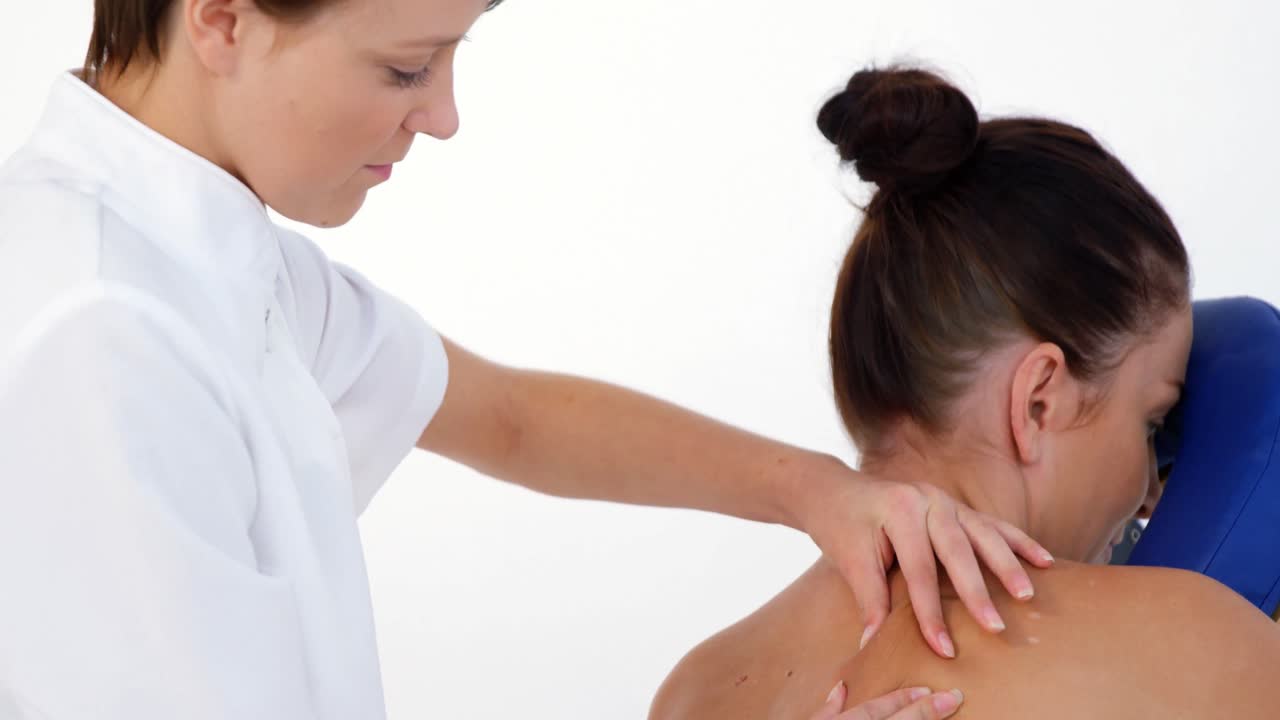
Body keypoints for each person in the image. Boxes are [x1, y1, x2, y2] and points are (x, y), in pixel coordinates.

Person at [0, 3, 1051, 718]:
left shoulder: (218, 261)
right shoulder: (102, 338)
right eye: (406, 66)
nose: (444, 116)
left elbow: (506, 418)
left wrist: (817, 491)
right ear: (222, 18)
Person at [648, 66, 1280, 720]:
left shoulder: (699, 689)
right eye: (1151, 423)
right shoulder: (1190, 643)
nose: (1152, 493)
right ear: (1039, 400)